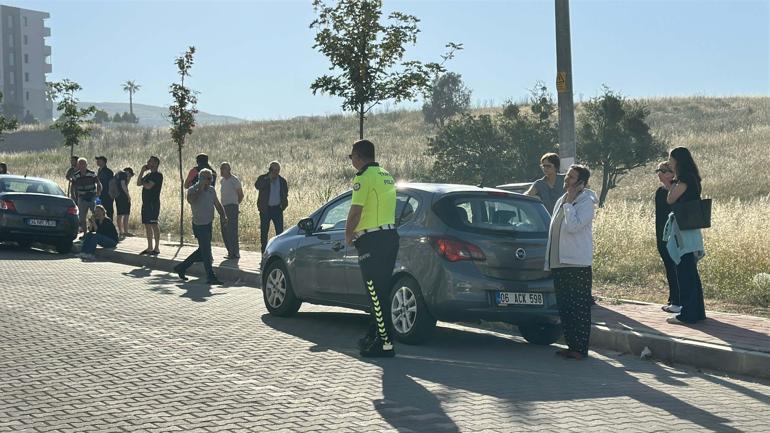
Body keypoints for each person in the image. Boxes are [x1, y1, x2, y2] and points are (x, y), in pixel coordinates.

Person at [345, 140, 399, 358]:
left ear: (358, 156)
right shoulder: (386, 175)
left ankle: (385, 344)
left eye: (351, 157)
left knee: (375, 294)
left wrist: (348, 234)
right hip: (389, 237)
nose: (351, 161)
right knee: (381, 292)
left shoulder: (363, 178)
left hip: (372, 240)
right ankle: (374, 334)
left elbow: (356, 211)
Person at [544, 164, 596, 361]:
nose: (566, 180)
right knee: (565, 306)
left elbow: (573, 227)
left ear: (581, 182)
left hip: (576, 263)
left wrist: (570, 203)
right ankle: (571, 345)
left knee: (579, 307)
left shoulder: (586, 201)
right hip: (560, 262)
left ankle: (580, 348)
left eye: (571, 178)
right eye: (566, 177)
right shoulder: (561, 199)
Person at [664, 147, 706, 325]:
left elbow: (670, 199)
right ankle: (698, 311)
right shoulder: (693, 177)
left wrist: (670, 182)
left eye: (671, 159)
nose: (669, 162)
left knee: (684, 270)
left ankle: (687, 315)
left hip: (684, 228)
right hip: (692, 227)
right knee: (691, 272)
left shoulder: (684, 179)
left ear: (677, 160)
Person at [173, 168, 227, 285]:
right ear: (201, 179)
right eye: (208, 178)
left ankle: (181, 267)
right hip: (199, 224)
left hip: (208, 223)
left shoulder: (212, 190)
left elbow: (217, 204)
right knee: (206, 251)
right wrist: (200, 190)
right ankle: (210, 276)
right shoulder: (193, 189)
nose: (210, 181)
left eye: (211, 178)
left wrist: (223, 216)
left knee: (202, 251)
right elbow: (191, 200)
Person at [655, 161, 680, 314]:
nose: (660, 174)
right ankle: (673, 297)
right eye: (659, 171)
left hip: (674, 234)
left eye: (663, 171)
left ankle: (678, 299)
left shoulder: (676, 190)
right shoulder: (660, 191)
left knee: (675, 267)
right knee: (669, 267)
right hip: (661, 233)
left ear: (671, 173)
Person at [254, 161, 288, 253]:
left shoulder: (282, 181)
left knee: (280, 232)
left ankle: (279, 251)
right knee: (264, 232)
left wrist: (283, 205)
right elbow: (257, 186)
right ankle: (264, 252)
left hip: (277, 209)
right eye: (274, 170)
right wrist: (268, 178)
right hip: (266, 209)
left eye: (278, 170)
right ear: (270, 170)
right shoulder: (263, 178)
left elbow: (285, 194)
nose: (276, 172)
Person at [137, 156, 163, 255]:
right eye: (148, 161)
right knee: (147, 225)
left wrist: (144, 182)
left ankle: (156, 248)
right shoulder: (148, 175)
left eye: (150, 161)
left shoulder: (158, 175)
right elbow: (138, 183)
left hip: (153, 203)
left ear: (156, 163)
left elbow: (148, 186)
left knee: (154, 224)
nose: (148, 162)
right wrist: (142, 171)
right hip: (146, 203)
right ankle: (149, 248)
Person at [219, 162, 244, 259]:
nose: (221, 171)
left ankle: (235, 252)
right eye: (221, 168)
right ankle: (229, 251)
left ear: (228, 170)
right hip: (223, 207)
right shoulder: (222, 181)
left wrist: (236, 205)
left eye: (223, 169)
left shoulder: (234, 180)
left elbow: (241, 195)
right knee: (224, 230)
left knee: (232, 230)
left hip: (232, 206)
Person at [71, 157, 101, 236]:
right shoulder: (76, 176)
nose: (82, 166)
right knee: (82, 217)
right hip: (81, 198)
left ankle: (99, 231)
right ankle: (85, 234)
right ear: (78, 165)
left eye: (83, 164)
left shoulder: (92, 174)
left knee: (97, 214)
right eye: (80, 164)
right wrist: (73, 196)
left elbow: (98, 183)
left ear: (86, 165)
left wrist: (98, 193)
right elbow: (73, 186)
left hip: (92, 197)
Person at [114, 167, 134, 240]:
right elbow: (123, 185)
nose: (130, 177)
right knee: (126, 214)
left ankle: (121, 231)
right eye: (130, 175)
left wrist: (128, 180)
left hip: (117, 196)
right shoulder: (123, 174)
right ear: (128, 172)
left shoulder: (118, 174)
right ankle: (125, 231)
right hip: (123, 196)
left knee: (120, 214)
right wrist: (128, 196)